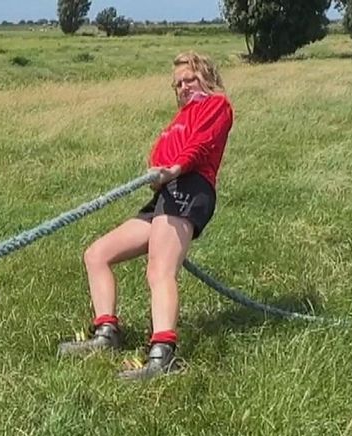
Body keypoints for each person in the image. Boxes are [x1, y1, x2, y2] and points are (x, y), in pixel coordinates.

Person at [58, 51, 234, 380]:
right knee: (97, 254)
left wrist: (174, 170)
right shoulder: (178, 120)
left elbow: (199, 148)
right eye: (178, 83)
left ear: (206, 78)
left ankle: (162, 355)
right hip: (166, 193)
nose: (183, 87)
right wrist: (159, 174)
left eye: (190, 79)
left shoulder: (216, 105)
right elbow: (162, 157)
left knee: (159, 270)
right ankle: (106, 334)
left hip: (191, 187)